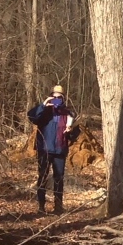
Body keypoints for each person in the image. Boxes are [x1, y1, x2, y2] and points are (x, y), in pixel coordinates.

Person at [27, 84, 79, 213]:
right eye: (53, 97)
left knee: (59, 178)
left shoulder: (68, 114)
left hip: (60, 150)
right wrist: (44, 104)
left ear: (63, 98)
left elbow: (74, 135)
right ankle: (41, 206)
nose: (56, 100)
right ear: (50, 97)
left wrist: (70, 131)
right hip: (44, 149)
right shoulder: (44, 112)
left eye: (59, 97)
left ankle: (58, 206)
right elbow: (32, 117)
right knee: (43, 177)